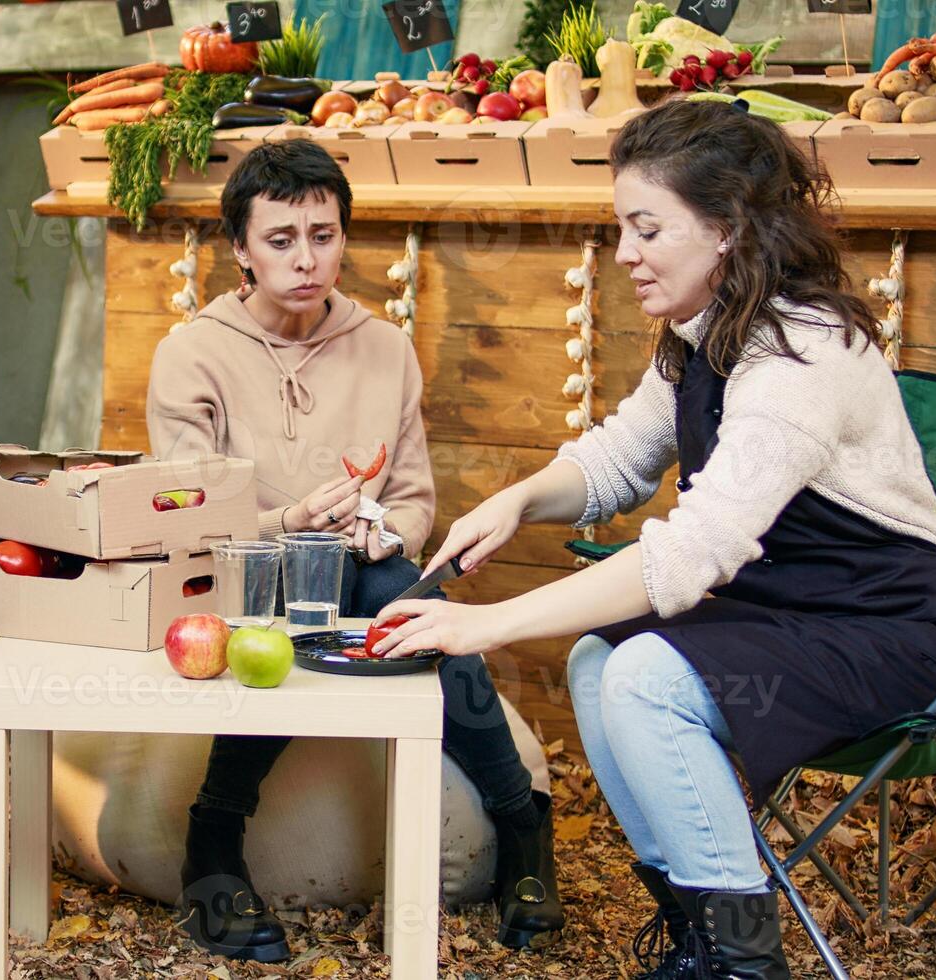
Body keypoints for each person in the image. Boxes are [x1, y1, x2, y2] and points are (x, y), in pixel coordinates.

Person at [370, 99, 936, 979]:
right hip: (793, 617)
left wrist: (484, 625)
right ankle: (702, 933)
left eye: (646, 227)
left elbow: (692, 551)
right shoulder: (702, 334)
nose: (624, 253)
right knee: (598, 663)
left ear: (728, 227)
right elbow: (621, 459)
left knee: (649, 675)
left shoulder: (799, 357)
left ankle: (744, 964)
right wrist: (519, 500)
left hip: (898, 632)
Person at [145, 139, 562, 963]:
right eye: (281, 240)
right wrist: (290, 524)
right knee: (317, 597)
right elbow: (184, 508)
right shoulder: (191, 353)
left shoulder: (386, 347)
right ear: (240, 249)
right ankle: (217, 840)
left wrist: (388, 528)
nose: (308, 260)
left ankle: (519, 828)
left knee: (402, 587)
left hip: (367, 577)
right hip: (244, 578)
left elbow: (411, 494)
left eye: (325, 235)